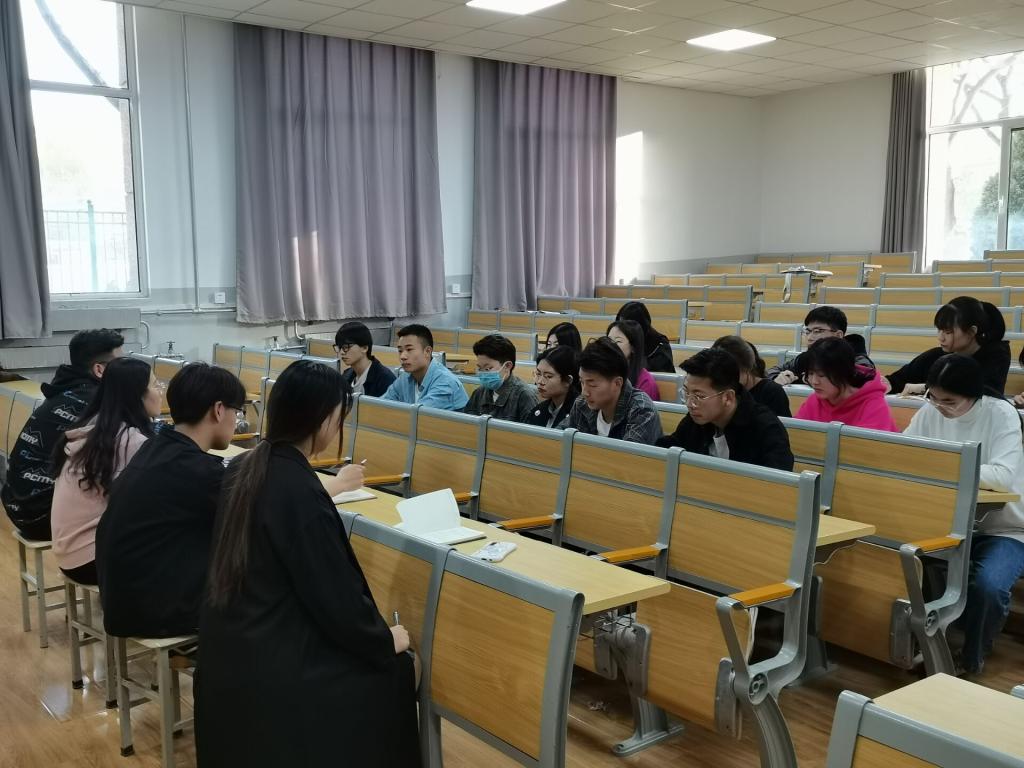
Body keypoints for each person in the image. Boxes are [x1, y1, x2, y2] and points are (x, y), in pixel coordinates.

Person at [197, 361, 418, 767]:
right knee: (395, 670)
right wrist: (382, 639)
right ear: (324, 419)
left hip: (230, 644)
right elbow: (333, 596)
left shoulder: (245, 466)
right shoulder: (298, 490)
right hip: (274, 663)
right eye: (339, 417)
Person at [96, 362, 248, 638]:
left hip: (121, 600)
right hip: (153, 611)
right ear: (218, 410)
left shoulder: (155, 447)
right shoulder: (197, 471)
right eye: (236, 411)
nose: (236, 420)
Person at [903, 354, 1024, 675]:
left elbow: (1002, 477)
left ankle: (972, 658)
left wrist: (940, 464)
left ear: (974, 395)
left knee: (989, 585)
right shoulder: (931, 409)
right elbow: (905, 453)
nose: (939, 406)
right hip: (946, 522)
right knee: (903, 561)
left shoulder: (1001, 414)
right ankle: (921, 643)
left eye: (950, 401)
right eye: (933, 396)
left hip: (1004, 528)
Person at [2, 329, 124, 542]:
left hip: (18, 506)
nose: (125, 369)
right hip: (42, 516)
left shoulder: (64, 390)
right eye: (120, 363)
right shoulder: (95, 401)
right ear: (99, 370)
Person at [49, 357, 160, 585]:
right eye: (155, 385)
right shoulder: (130, 440)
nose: (160, 392)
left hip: (69, 553)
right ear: (137, 394)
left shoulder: (96, 427)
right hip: (91, 558)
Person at [658, 348, 793, 470]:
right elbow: (668, 448)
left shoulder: (766, 428)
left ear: (728, 397)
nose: (690, 403)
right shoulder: (696, 419)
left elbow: (777, 482)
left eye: (699, 396)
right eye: (686, 393)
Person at [885, 297, 1010, 397]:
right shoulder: (937, 355)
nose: (940, 338)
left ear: (972, 331)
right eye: (939, 330)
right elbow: (895, 380)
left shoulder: (997, 355)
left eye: (948, 332)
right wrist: (885, 383)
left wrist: (925, 389)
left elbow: (982, 393)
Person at [566, 337, 662, 444]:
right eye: (582, 382)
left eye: (592, 384)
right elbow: (560, 440)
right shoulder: (581, 404)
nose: (584, 392)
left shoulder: (642, 410)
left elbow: (626, 454)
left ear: (617, 383)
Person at [794, 338, 897, 431]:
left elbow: (868, 444)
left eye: (821, 375)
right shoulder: (814, 400)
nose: (814, 381)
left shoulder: (873, 404)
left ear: (844, 372)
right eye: (810, 373)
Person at [767, 306, 873, 384]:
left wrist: (802, 379)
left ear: (838, 335)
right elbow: (770, 372)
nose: (810, 337)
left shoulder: (858, 359)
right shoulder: (807, 357)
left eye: (817, 331)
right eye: (807, 332)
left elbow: (853, 381)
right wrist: (778, 377)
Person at [381, 324, 468, 410]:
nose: (402, 356)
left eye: (409, 349)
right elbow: (380, 406)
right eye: (400, 351)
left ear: (427, 351)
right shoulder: (405, 377)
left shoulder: (445, 383)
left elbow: (418, 415)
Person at [463, 334, 538, 421]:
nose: (483, 373)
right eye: (480, 368)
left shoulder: (524, 396)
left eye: (488, 369)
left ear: (507, 366)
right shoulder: (479, 393)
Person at [712, 335, 790, 417]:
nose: (724, 380)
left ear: (747, 369)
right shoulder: (717, 390)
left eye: (730, 374)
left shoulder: (772, 392)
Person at [335, 321, 396, 398]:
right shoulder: (346, 375)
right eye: (339, 347)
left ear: (364, 348)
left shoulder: (384, 379)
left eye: (346, 347)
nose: (341, 352)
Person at [525, 346, 580, 429]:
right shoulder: (538, 410)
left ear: (568, 380)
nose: (540, 381)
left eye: (548, 376)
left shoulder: (579, 413)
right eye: (538, 374)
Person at [607, 319, 660, 401]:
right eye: (609, 340)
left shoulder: (646, 382)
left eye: (618, 341)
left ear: (633, 347)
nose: (610, 346)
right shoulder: (603, 374)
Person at [615, 301, 675, 373]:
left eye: (625, 325)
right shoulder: (621, 341)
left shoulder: (660, 345)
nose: (621, 329)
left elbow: (658, 374)